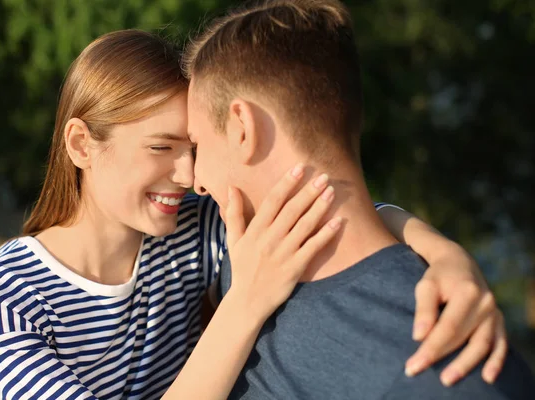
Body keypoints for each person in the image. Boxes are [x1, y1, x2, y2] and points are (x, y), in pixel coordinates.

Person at [0, 28, 506, 400]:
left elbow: (333, 209)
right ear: (81, 145)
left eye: (191, 149)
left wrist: (445, 256)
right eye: (161, 148)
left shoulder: (193, 229)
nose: (190, 176)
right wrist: (246, 302)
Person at [182, 0, 535, 398]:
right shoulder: (248, 260)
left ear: (242, 127)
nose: (195, 181)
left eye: (197, 145)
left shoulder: (451, 371)